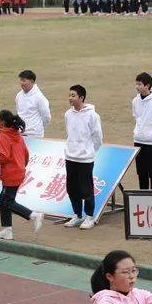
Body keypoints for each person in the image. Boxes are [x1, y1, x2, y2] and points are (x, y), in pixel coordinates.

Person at [0, 110, 44, 240]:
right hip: (19, 171)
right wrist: (21, 166)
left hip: (11, 174)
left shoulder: (2, 137)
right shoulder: (16, 135)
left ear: (3, 122)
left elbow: (4, 157)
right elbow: (26, 154)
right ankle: (7, 230)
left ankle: (33, 215)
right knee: (3, 200)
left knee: (7, 201)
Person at [64, 85, 104, 229]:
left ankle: (89, 217)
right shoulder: (68, 114)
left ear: (81, 97)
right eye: (69, 95)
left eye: (73, 95)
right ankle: (77, 215)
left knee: (86, 189)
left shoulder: (93, 115)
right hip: (70, 157)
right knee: (72, 188)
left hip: (85, 159)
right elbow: (69, 133)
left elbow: (97, 137)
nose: (70, 98)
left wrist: (89, 151)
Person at [15, 70, 51, 138]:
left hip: (35, 135)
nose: (21, 83)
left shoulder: (39, 97)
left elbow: (46, 117)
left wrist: (37, 127)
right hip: (20, 134)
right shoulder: (18, 96)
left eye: (24, 81)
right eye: (20, 80)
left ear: (32, 81)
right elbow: (19, 113)